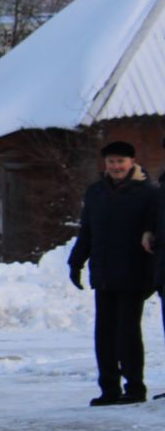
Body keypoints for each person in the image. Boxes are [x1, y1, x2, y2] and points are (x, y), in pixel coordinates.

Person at [68, 140, 157, 405]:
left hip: (134, 273)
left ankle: (134, 388)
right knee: (104, 333)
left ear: (132, 162)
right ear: (104, 164)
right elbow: (87, 231)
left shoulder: (147, 193)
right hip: (104, 273)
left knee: (127, 332)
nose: (116, 166)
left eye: (121, 161)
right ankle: (109, 388)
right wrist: (76, 262)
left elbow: (153, 232)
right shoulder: (95, 192)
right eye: (111, 162)